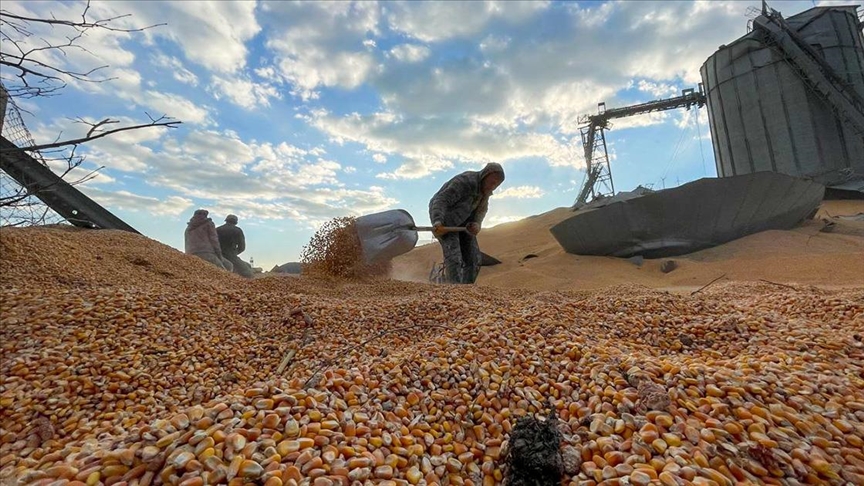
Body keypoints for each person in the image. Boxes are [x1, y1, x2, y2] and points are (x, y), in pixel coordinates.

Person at [429, 162, 505, 284]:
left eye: (496, 184)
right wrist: (438, 221)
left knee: (474, 260)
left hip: (465, 225)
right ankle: (453, 291)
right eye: (492, 182)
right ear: (485, 175)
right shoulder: (464, 182)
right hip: (446, 222)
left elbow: (481, 210)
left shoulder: (485, 192)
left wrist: (477, 223)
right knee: (454, 258)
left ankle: (466, 291)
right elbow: (441, 200)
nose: (493, 186)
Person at [216, 214, 253, 278]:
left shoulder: (217, 229)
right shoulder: (237, 230)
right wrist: (234, 253)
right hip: (231, 256)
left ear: (226, 220)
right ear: (236, 222)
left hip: (217, 254)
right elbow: (242, 247)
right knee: (248, 274)